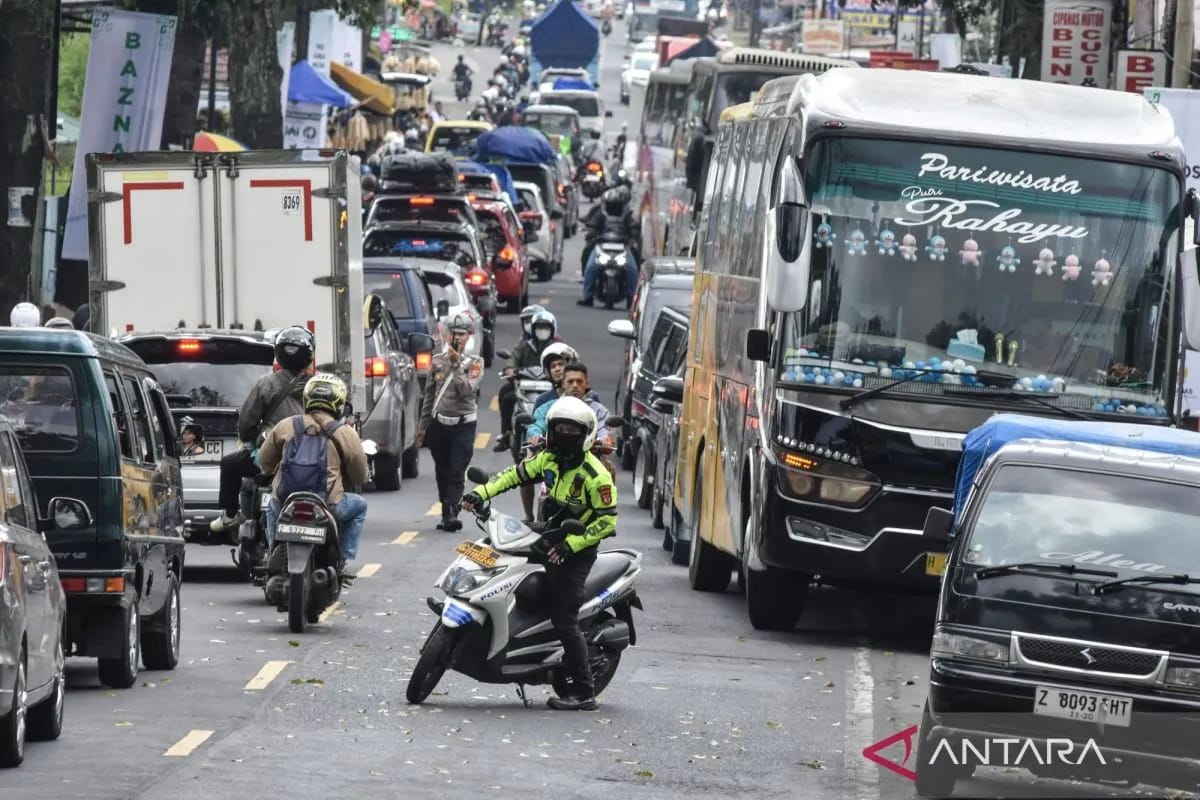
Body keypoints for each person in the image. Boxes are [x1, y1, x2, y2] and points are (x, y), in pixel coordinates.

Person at [462, 396, 617, 710]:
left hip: (577, 549)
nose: (564, 435)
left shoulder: (595, 476)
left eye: (571, 430)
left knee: (565, 619)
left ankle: (585, 692)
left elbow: (607, 522)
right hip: (548, 533)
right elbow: (513, 476)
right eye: (559, 428)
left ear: (585, 434)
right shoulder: (547, 459)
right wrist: (480, 493)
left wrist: (570, 546)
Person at [259, 373, 369, 577]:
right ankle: (342, 560)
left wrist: (270, 472)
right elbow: (360, 474)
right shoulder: (344, 432)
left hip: (285, 501)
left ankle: (273, 551)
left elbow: (264, 462)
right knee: (360, 506)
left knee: (271, 507)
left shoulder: (286, 425)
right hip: (329, 504)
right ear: (338, 402)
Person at [210, 326, 314, 533]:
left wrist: (253, 438)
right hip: (312, 458)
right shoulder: (317, 386)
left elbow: (246, 424)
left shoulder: (266, 384)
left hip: (271, 458)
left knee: (229, 464)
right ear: (309, 356)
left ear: (278, 354)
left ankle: (230, 515)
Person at [416, 313, 483, 532]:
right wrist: (423, 427)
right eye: (454, 333)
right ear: (446, 336)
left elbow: (467, 391)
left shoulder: (475, 363)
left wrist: (456, 366)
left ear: (468, 336)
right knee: (442, 470)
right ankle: (446, 512)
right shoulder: (437, 362)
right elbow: (429, 395)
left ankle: (452, 512)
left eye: (462, 334)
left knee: (456, 469)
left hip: (464, 424)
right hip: (439, 424)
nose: (458, 338)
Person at [492, 305, 552, 453]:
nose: (539, 330)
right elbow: (513, 359)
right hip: (525, 385)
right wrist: (510, 370)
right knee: (505, 396)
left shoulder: (556, 344)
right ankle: (506, 434)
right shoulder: (524, 344)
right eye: (527, 321)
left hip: (549, 386)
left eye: (543, 327)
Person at [526, 361, 610, 455]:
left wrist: (605, 440)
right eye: (570, 381)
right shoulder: (548, 407)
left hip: (589, 457)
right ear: (563, 384)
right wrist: (535, 435)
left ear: (587, 384)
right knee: (526, 466)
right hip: (551, 457)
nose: (574, 385)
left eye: (579, 381)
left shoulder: (598, 410)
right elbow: (536, 424)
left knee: (607, 468)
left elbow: (603, 430)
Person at [578, 187, 639, 306]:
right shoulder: (601, 214)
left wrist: (634, 233)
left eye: (616, 205)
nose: (614, 207)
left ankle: (632, 297)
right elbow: (593, 225)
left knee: (633, 269)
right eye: (612, 204)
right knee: (590, 267)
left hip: (623, 247)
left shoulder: (627, 216)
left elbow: (633, 226)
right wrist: (592, 233)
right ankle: (588, 296)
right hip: (602, 245)